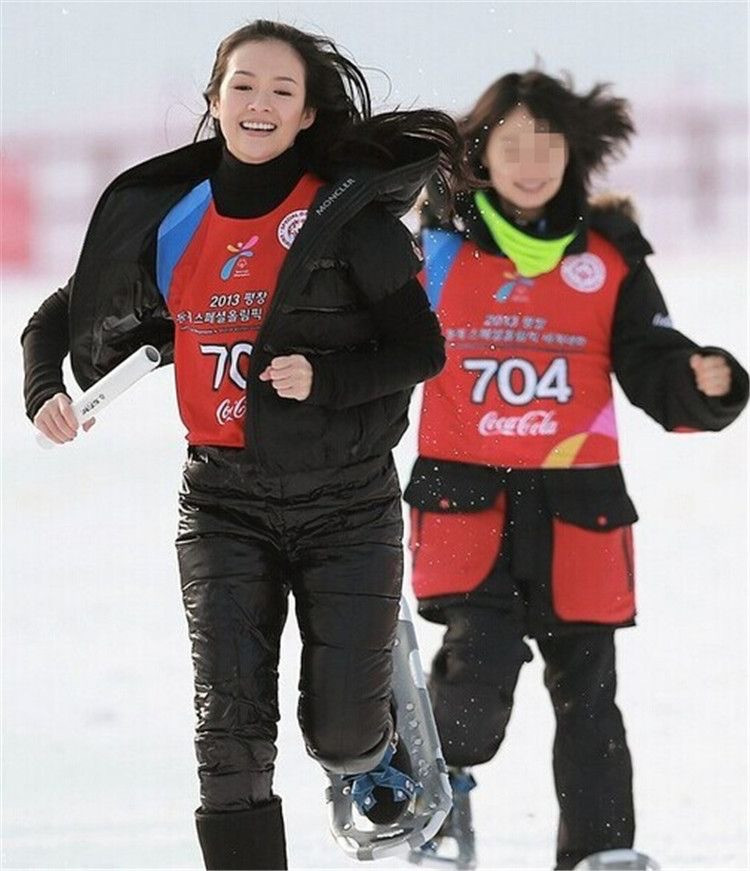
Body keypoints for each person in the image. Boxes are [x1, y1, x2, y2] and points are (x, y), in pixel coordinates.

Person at [21, 20, 470, 870]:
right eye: (243, 86)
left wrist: (325, 379)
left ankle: (376, 738)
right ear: (214, 100)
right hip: (222, 502)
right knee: (228, 735)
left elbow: (422, 349)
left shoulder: (346, 219)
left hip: (347, 503)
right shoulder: (173, 222)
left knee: (338, 734)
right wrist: (47, 391)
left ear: (305, 116)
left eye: (282, 91)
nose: (259, 103)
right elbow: (57, 318)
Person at [404, 70, 748, 870]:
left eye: (548, 146)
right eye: (512, 144)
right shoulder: (434, 251)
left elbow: (652, 358)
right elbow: (376, 349)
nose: (531, 162)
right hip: (469, 502)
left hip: (580, 513)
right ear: (478, 154)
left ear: (575, 155)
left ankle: (602, 853)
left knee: (590, 700)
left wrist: (706, 380)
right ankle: (438, 785)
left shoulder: (609, 255)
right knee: (477, 671)